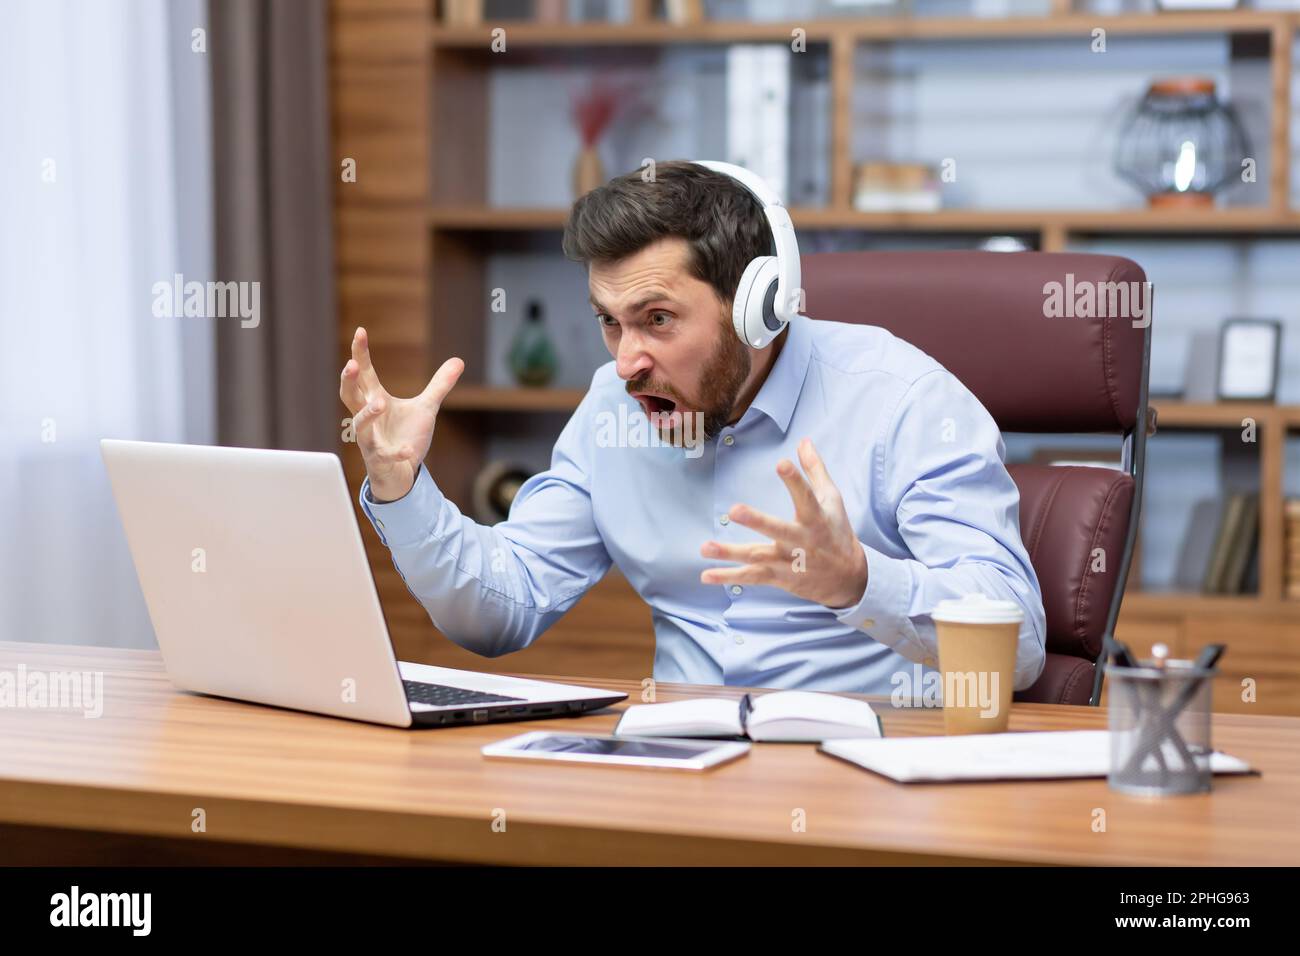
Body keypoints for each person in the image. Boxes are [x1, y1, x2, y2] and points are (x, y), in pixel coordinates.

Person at [338, 160, 1045, 694]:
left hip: (868, 781)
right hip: (679, 776)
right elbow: (502, 608)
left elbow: (1019, 645)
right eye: (609, 323)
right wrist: (402, 487)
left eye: (657, 320)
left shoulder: (904, 403)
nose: (626, 361)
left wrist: (860, 581)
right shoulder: (614, 411)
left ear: (757, 308)